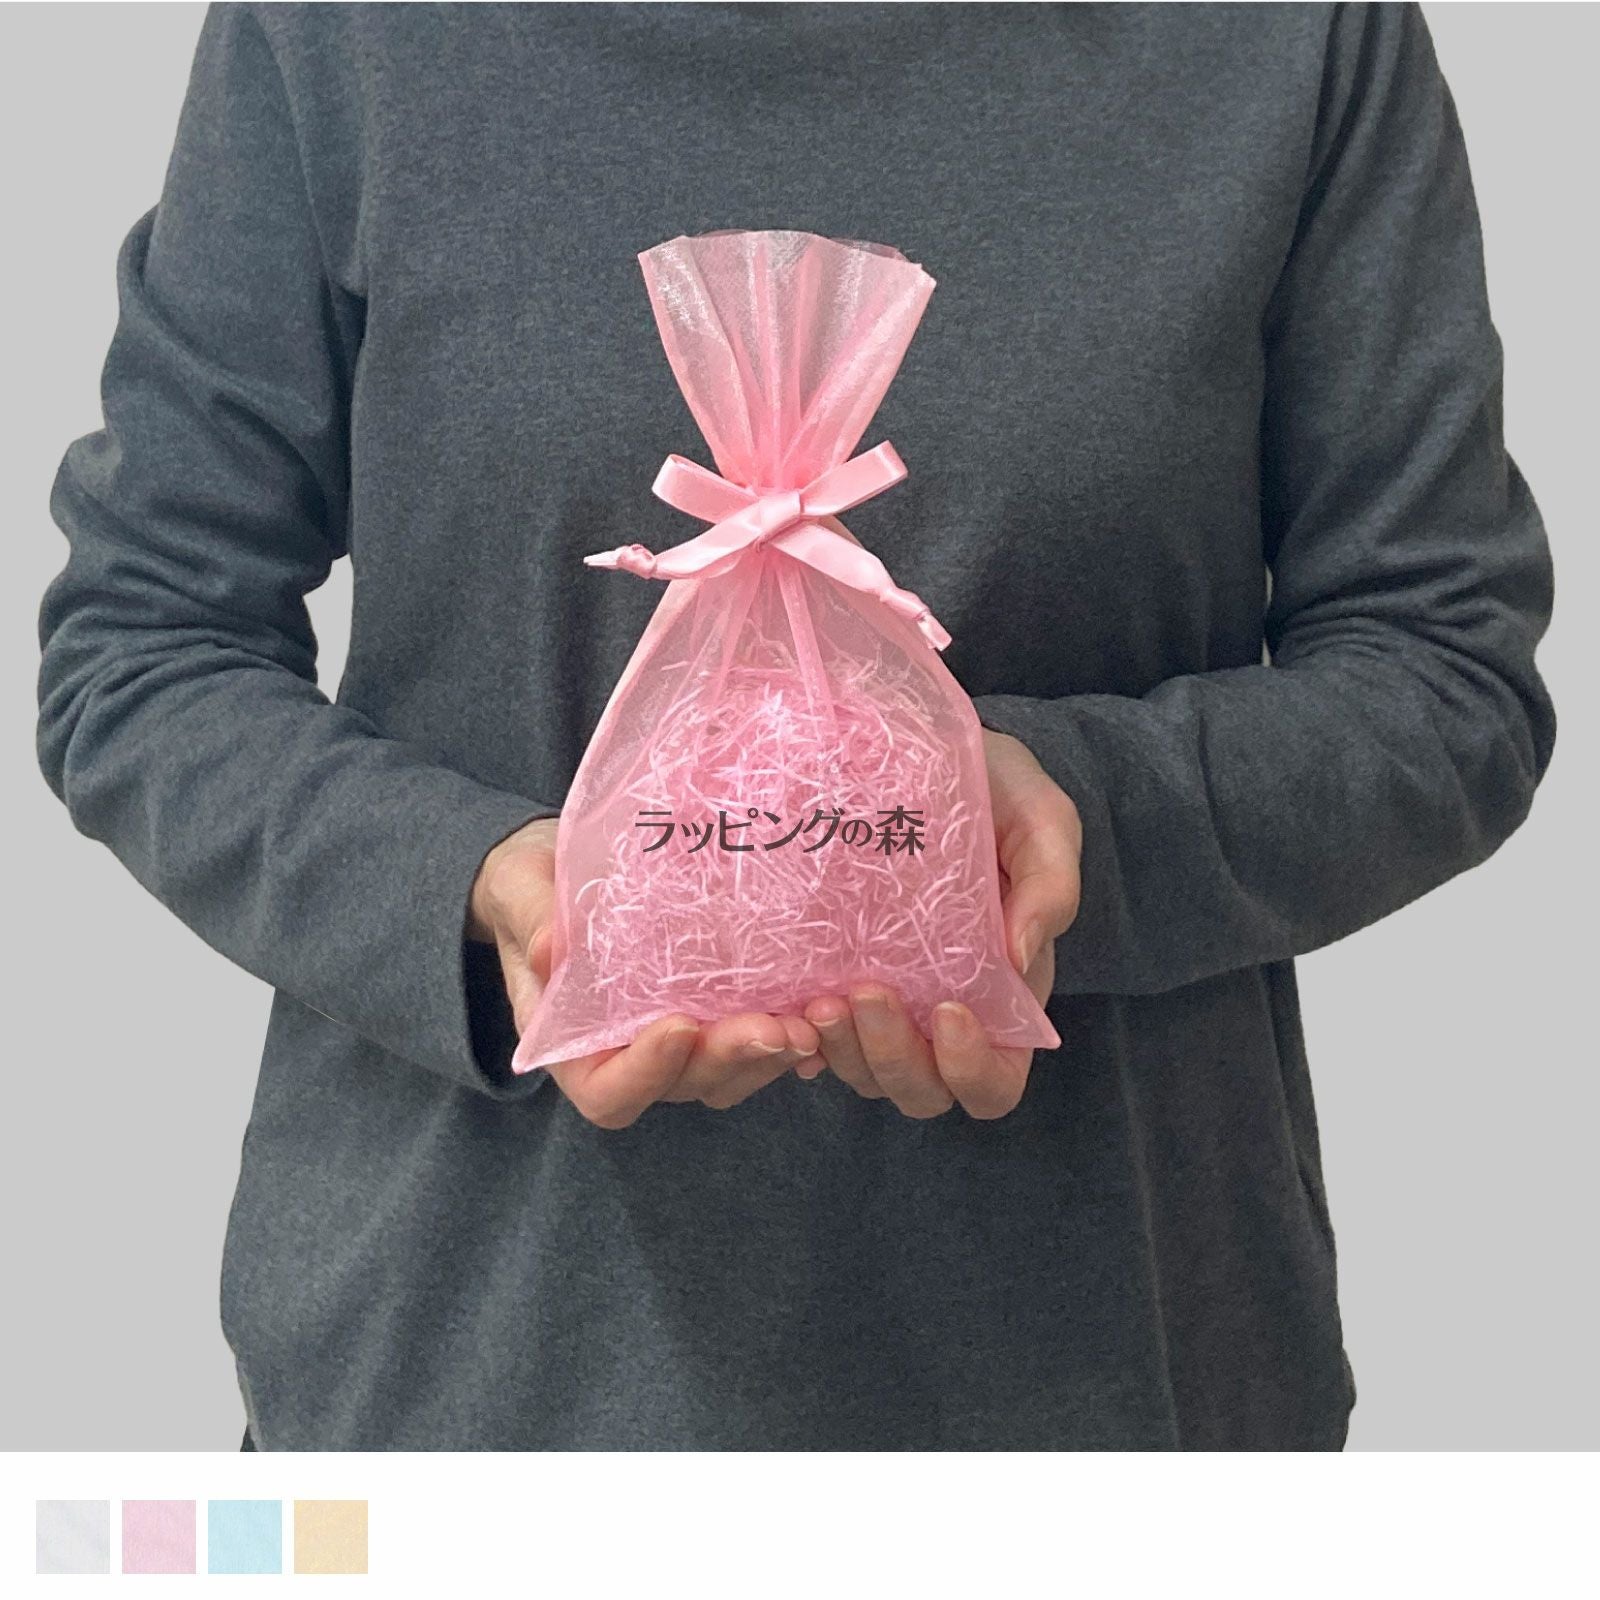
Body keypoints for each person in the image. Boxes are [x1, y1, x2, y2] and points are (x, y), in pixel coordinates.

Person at [37, 3, 1555, 1451]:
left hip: (1120, 1381)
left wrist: (1062, 821)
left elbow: (1446, 668)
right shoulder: (342, 31)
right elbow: (144, 642)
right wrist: (478, 888)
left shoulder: (1284, 36)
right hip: (461, 1382)